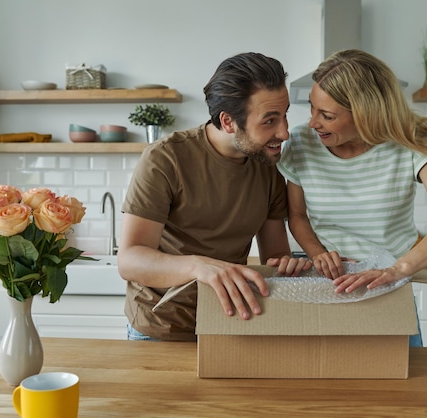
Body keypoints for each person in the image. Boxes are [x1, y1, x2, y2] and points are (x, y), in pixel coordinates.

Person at [277, 49, 427, 345]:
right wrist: (317, 253)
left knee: (400, 384)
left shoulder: (412, 141)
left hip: (386, 287)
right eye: (312, 109)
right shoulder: (302, 143)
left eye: (327, 115)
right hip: (322, 282)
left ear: (367, 114)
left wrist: (398, 269)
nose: (313, 122)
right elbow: (298, 215)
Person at [117, 52, 310, 342]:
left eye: (284, 115)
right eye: (269, 120)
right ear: (229, 121)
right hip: (160, 327)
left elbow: (274, 259)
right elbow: (130, 260)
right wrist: (198, 266)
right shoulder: (166, 158)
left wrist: (289, 265)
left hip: (231, 323)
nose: (283, 132)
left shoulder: (267, 166)